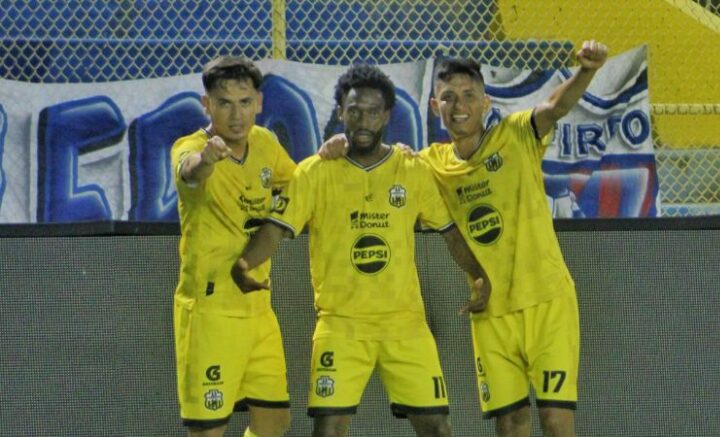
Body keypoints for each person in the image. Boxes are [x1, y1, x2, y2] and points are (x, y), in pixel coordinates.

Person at [319, 40, 609, 437]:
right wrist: (340, 144)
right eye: (449, 97)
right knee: (510, 423)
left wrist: (587, 71)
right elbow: (379, 159)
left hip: (547, 301)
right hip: (489, 311)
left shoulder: (517, 135)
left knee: (556, 420)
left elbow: (555, 106)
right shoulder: (429, 163)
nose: (459, 106)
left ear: (485, 102)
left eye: (469, 96)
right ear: (435, 107)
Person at [230, 63, 490, 437]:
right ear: (340, 112)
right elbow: (275, 229)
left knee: (437, 428)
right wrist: (244, 263)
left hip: (405, 324)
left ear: (387, 115)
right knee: (328, 429)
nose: (363, 121)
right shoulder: (315, 172)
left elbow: (451, 234)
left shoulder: (411, 170)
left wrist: (479, 275)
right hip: (341, 325)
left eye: (372, 112)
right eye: (354, 111)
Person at [171, 56, 295, 437]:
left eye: (244, 103)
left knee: (275, 422)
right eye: (224, 103)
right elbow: (190, 171)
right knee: (208, 430)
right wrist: (206, 160)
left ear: (258, 102)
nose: (236, 115)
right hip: (211, 314)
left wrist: (329, 157)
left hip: (259, 311)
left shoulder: (266, 144)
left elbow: (299, 183)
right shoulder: (190, 147)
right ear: (207, 104)